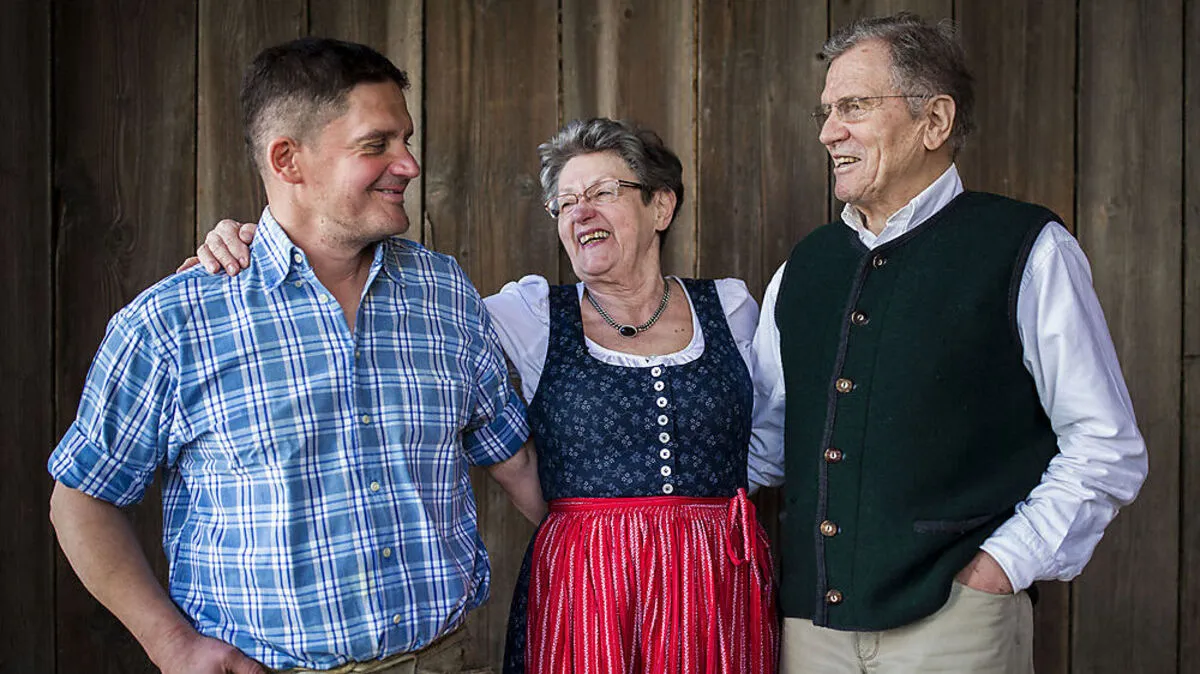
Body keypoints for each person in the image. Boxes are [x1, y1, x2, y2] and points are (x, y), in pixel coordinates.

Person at [192, 118, 781, 673]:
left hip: (718, 576)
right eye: (565, 202)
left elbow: (766, 436)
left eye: (602, 192)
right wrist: (254, 238)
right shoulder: (527, 315)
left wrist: (701, 519)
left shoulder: (728, 308)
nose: (581, 213)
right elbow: (399, 306)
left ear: (660, 204)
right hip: (591, 584)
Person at [48, 37, 543, 674]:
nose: (409, 165)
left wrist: (640, 543)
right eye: (377, 145)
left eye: (406, 140)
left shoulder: (444, 291)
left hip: (445, 657)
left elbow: (515, 457)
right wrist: (171, 645)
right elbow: (82, 498)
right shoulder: (176, 320)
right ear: (288, 159)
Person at [751, 12, 1149, 673]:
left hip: (954, 625)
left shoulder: (1026, 249)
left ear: (934, 121)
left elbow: (1105, 446)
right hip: (811, 627)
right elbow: (767, 438)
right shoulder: (804, 266)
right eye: (827, 111)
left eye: (854, 106)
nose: (828, 132)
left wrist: (1000, 567)